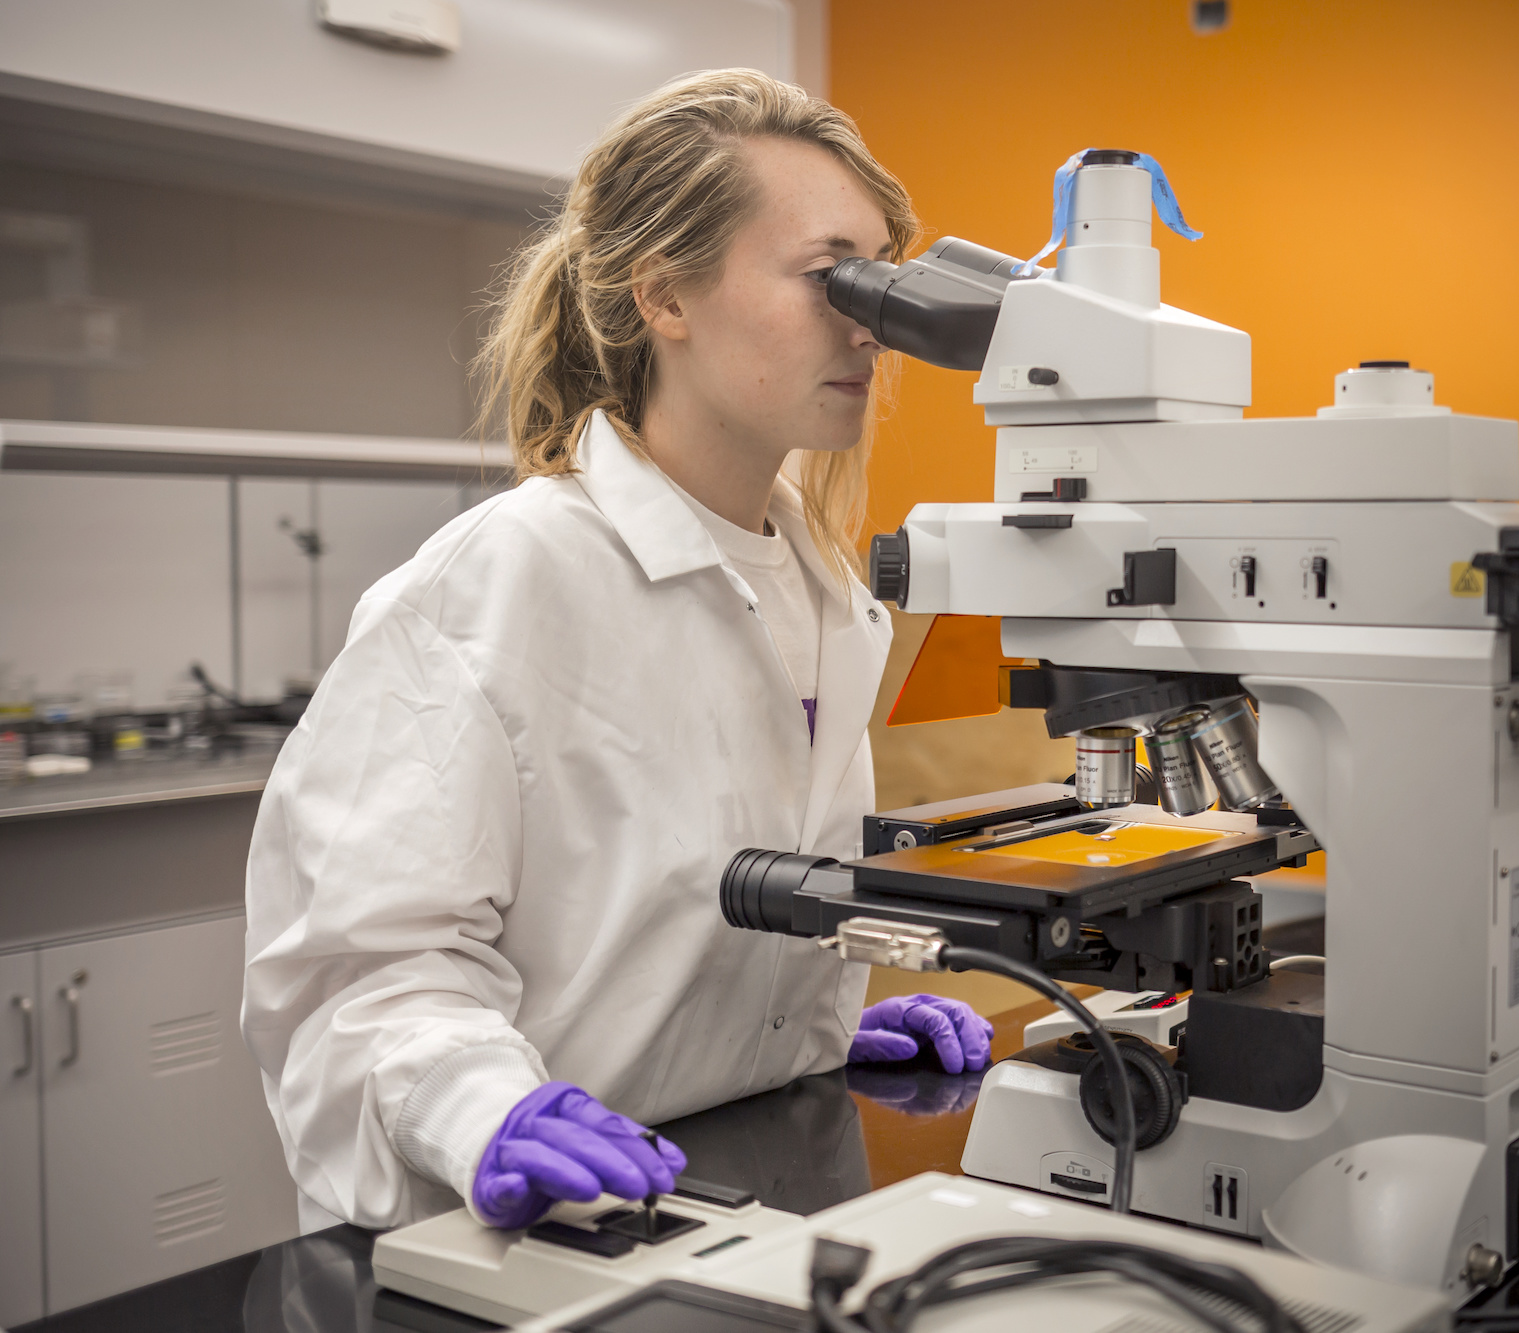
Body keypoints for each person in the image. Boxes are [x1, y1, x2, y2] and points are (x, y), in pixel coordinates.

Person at [241, 69, 992, 1232]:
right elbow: (366, 980)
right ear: (665, 300)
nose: (870, 322)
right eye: (830, 274)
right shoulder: (493, 587)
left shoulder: (825, 597)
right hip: (503, 1247)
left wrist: (803, 1036)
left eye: (883, 277)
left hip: (717, 1209)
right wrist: (485, 1109)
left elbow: (677, 938)